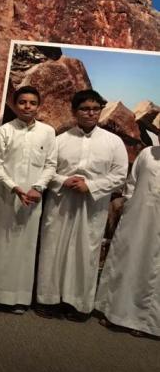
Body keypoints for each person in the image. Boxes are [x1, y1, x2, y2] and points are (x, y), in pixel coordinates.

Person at [35, 90, 127, 321]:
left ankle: (78, 303)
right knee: (54, 249)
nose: (91, 113)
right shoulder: (60, 140)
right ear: (74, 111)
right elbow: (46, 170)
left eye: (96, 109)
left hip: (92, 205)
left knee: (85, 252)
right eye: (85, 109)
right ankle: (49, 299)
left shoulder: (113, 142)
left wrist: (91, 185)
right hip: (61, 203)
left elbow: (119, 176)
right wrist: (63, 180)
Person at [0, 86, 57, 313]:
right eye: (22, 102)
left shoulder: (47, 132)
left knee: (25, 247)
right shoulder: (5, 130)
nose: (27, 107)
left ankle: (19, 298)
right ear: (15, 104)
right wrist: (14, 187)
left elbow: (51, 164)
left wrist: (38, 187)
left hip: (32, 199)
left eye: (32, 103)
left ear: (38, 106)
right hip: (4, 197)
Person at [94, 145, 160, 338]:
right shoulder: (147, 153)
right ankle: (116, 313)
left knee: (154, 269)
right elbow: (132, 183)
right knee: (128, 261)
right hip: (137, 217)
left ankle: (147, 323)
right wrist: (130, 204)